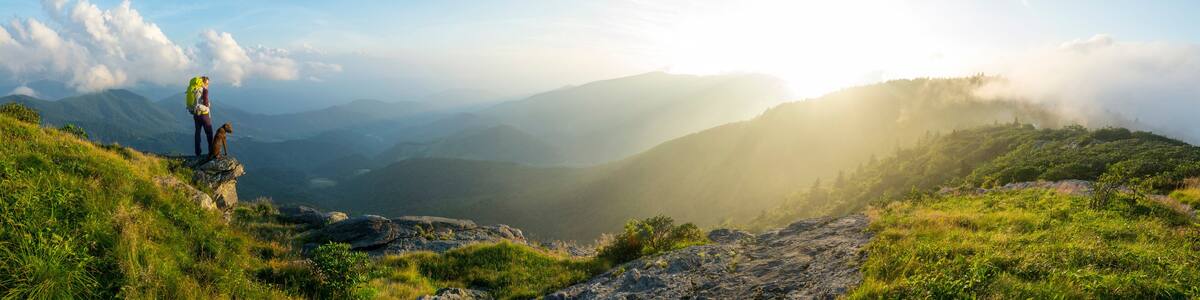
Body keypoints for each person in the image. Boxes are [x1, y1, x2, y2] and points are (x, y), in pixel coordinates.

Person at [187, 76, 213, 158]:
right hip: (204, 114)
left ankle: (197, 152)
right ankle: (211, 151)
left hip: (195, 114)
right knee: (209, 133)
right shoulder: (203, 90)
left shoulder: (193, 89)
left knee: (197, 133)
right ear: (203, 82)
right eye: (207, 83)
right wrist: (208, 106)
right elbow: (204, 103)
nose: (208, 85)